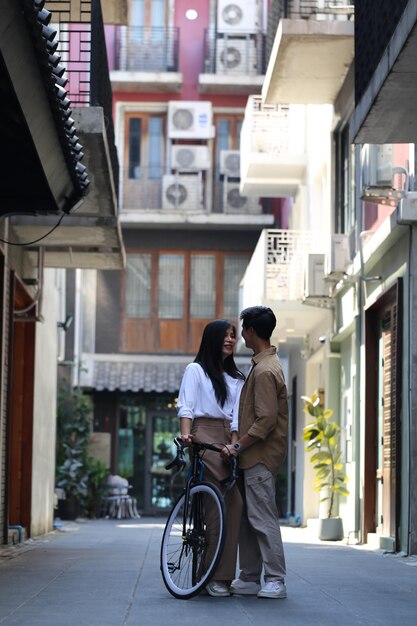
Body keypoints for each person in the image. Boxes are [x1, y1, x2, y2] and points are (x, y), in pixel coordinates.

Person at [221, 305, 289, 599]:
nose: (240, 336)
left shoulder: (264, 370)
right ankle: (249, 577)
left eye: (243, 329)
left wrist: (237, 445)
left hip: (259, 457)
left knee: (262, 519)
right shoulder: (263, 364)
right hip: (253, 457)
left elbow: (265, 421)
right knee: (250, 521)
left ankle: (276, 579)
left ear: (250, 331)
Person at [177, 319, 245, 597]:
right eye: (225, 335)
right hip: (202, 436)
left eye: (233, 335)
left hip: (227, 442)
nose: (230, 340)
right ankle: (211, 576)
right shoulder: (196, 370)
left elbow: (236, 419)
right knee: (215, 508)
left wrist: (232, 448)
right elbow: (187, 406)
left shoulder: (237, 379)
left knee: (236, 505)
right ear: (212, 339)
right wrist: (185, 436)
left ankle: (222, 576)